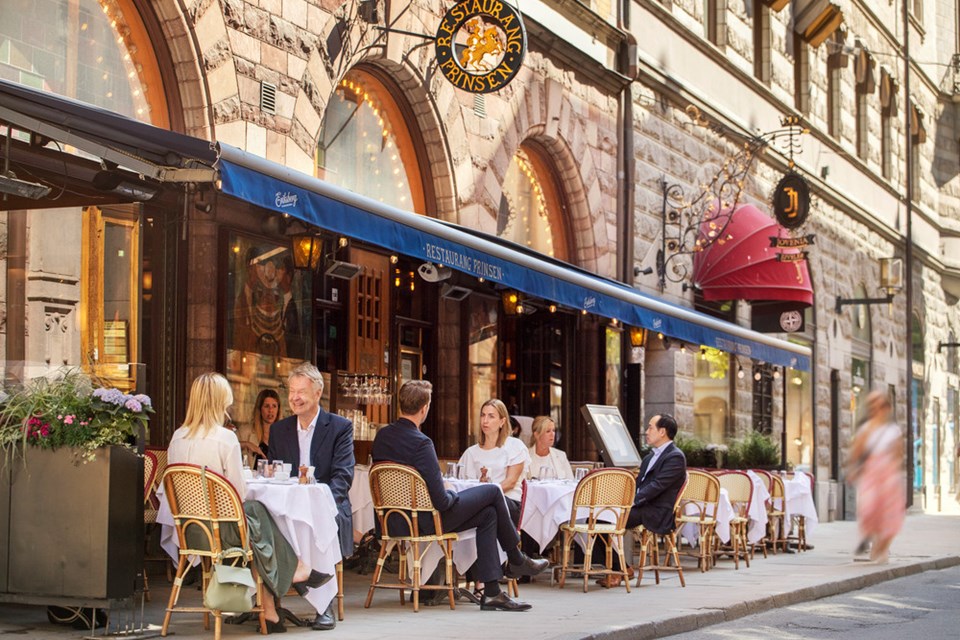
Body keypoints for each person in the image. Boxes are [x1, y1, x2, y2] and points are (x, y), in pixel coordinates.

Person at [167, 373, 332, 633]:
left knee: (256, 523)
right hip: (223, 532)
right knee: (257, 514)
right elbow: (238, 491)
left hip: (191, 530)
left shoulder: (177, 436)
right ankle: (298, 571)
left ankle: (270, 610)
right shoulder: (224, 438)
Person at [371, 380, 549, 611]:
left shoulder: (382, 436)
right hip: (423, 521)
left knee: (488, 514)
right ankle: (516, 559)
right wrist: (455, 494)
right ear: (424, 408)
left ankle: (492, 592)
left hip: (391, 521)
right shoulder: (422, 443)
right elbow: (442, 501)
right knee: (493, 491)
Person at [269, 363, 354, 630]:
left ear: (318, 393)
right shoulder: (279, 429)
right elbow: (274, 475)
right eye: (292, 391)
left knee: (317, 521)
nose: (294, 398)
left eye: (301, 392)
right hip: (287, 507)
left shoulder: (340, 427)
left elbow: (343, 476)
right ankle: (269, 604)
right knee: (264, 521)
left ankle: (324, 605)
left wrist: (324, 503)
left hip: (327, 506)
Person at [595, 413, 687, 588]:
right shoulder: (648, 457)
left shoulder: (675, 457)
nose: (646, 431)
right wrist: (620, 500)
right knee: (597, 518)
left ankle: (617, 571)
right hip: (642, 506)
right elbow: (638, 485)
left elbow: (657, 486)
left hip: (656, 510)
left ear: (662, 432)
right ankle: (623, 568)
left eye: (651, 427)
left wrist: (630, 502)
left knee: (603, 520)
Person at [848, 391, 904, 564]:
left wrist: (894, 475)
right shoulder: (866, 428)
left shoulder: (893, 430)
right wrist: (852, 469)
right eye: (872, 405)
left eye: (879, 405)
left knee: (888, 513)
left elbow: (898, 454)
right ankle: (876, 545)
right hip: (871, 475)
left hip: (888, 474)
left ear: (887, 408)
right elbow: (856, 452)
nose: (875, 409)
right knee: (869, 510)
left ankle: (882, 548)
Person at [458, 398, 530, 525]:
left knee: (488, 510)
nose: (485, 421)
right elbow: (462, 483)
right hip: (479, 505)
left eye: (491, 416)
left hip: (508, 502)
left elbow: (510, 482)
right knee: (484, 512)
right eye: (483, 415)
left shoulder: (515, 446)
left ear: (502, 421)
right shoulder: (471, 452)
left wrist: (484, 497)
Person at [238, 389, 280, 468]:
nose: (271, 410)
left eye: (274, 406)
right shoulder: (245, 431)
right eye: (266, 406)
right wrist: (246, 444)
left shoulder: (283, 434)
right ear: (260, 409)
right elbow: (227, 448)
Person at [527, 416, 574, 480]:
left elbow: (571, 482)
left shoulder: (561, 455)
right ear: (537, 435)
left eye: (553, 430)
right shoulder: (525, 456)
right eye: (548, 431)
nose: (552, 434)